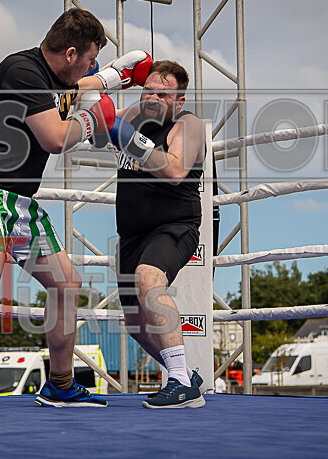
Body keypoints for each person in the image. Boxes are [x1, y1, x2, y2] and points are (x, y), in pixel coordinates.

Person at [0, 7, 152, 416]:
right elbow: (54, 138)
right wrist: (91, 118)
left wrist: (113, 86)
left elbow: (85, 92)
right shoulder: (21, 70)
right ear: (70, 53)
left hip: (19, 200)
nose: (92, 66)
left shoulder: (60, 79)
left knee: (66, 283)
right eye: (88, 58)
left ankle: (61, 384)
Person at [109, 60, 206, 409]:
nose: (153, 97)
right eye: (148, 89)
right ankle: (186, 374)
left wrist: (130, 142)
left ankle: (179, 381)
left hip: (174, 226)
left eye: (162, 93)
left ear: (178, 100)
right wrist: (98, 84)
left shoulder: (188, 124)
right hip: (132, 236)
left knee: (149, 279)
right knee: (137, 323)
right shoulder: (136, 113)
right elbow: (99, 117)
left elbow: (177, 169)